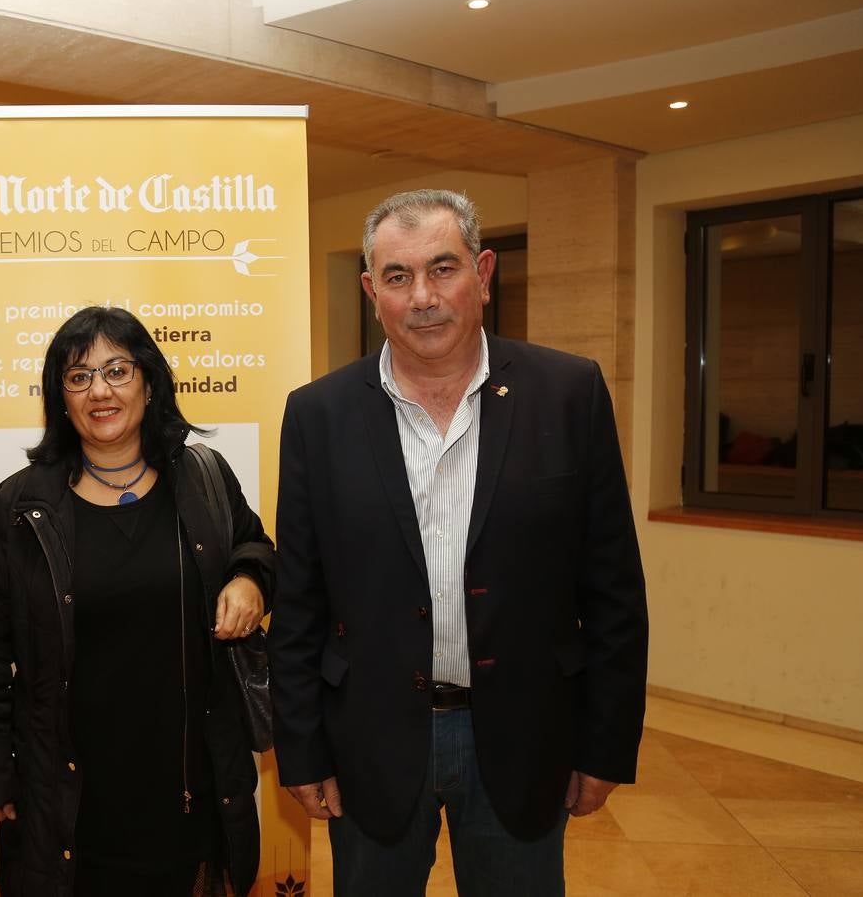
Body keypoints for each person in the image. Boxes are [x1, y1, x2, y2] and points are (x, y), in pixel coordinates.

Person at [269, 189, 647, 894]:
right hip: (371, 742)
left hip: (523, 736)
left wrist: (606, 744)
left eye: (443, 269)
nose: (423, 298)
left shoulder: (569, 393)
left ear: (484, 272)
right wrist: (301, 749)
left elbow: (613, 589)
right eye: (398, 276)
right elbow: (300, 599)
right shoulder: (318, 414)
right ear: (369, 290)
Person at [0, 306, 273, 896]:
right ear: (60, 397)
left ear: (149, 381)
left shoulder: (204, 478)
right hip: (69, 794)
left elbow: (253, 544)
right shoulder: (22, 506)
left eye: (117, 371)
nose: (100, 390)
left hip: (189, 783)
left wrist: (248, 578)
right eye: (78, 377)